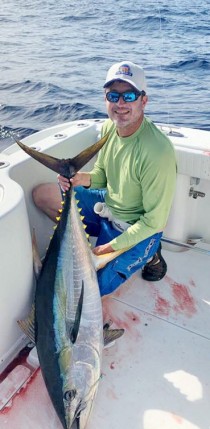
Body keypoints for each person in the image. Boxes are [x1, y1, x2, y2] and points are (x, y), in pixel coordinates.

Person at [33, 61, 177, 296]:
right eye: (113, 95)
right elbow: (101, 174)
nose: (120, 104)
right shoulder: (109, 128)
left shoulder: (157, 151)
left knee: (89, 288)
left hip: (138, 226)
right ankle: (93, 237)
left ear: (143, 100)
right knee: (43, 195)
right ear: (105, 98)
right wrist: (79, 179)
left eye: (129, 95)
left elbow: (154, 222)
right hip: (108, 204)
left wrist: (110, 247)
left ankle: (151, 253)